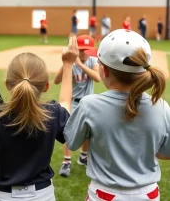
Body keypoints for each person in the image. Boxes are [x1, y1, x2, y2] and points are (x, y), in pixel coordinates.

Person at [64, 29, 170, 201]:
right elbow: (165, 153)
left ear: (104, 71)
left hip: (105, 195)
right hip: (149, 195)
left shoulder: (90, 105)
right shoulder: (161, 105)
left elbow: (71, 141)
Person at [0, 39, 79, 201]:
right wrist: (68, 65)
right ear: (46, 86)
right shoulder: (53, 113)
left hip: (3, 196)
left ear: (7, 84)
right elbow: (65, 104)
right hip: (42, 195)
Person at [54, 35, 100, 177]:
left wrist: (80, 65)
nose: (84, 53)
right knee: (68, 132)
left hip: (89, 103)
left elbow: (97, 78)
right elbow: (56, 80)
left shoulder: (93, 60)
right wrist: (67, 64)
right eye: (81, 50)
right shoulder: (71, 63)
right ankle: (66, 161)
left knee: (88, 131)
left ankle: (83, 156)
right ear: (76, 50)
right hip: (73, 102)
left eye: (87, 50)